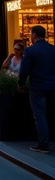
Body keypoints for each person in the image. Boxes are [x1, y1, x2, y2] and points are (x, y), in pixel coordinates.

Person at [18, 25, 55, 154]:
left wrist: (20, 84)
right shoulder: (52, 49)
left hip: (37, 87)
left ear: (33, 35)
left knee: (40, 115)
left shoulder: (30, 51)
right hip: (52, 86)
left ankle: (43, 144)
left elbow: (24, 70)